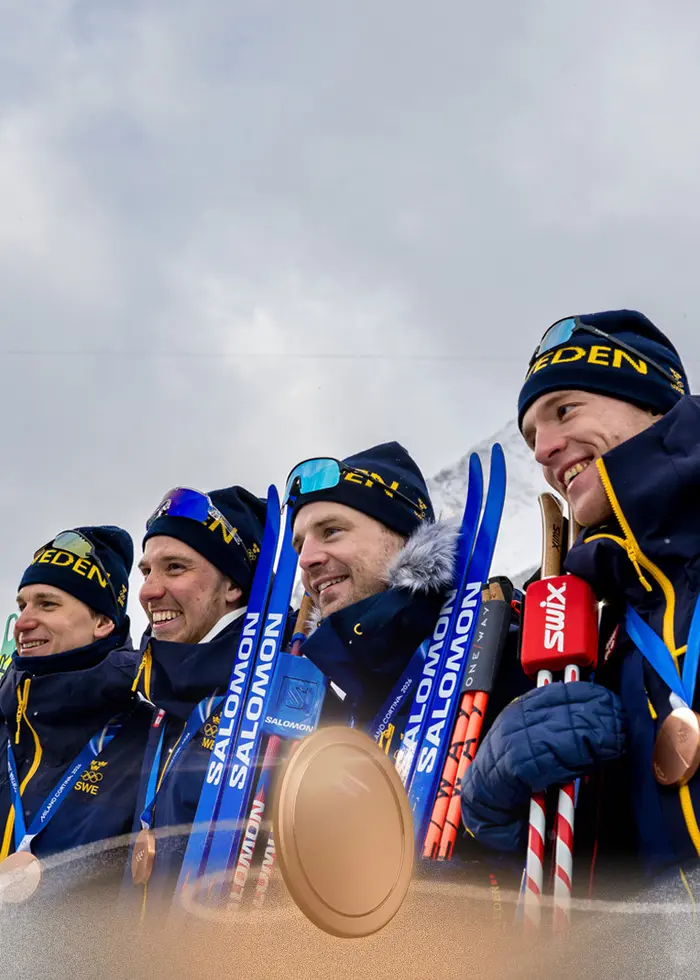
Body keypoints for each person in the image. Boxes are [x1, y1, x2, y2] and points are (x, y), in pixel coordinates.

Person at [461, 309, 700, 901]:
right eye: (530, 437)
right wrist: (499, 810)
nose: (544, 451)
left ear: (654, 406)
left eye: (564, 410)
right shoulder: (593, 627)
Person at [127, 485, 266, 900]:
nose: (148, 591)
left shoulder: (275, 690)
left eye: (174, 568)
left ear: (233, 586)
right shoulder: (161, 691)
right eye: (146, 571)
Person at [0, 525, 150, 899]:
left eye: (47, 604)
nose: (23, 623)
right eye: (23, 605)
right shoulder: (6, 725)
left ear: (103, 621)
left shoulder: (150, 740)